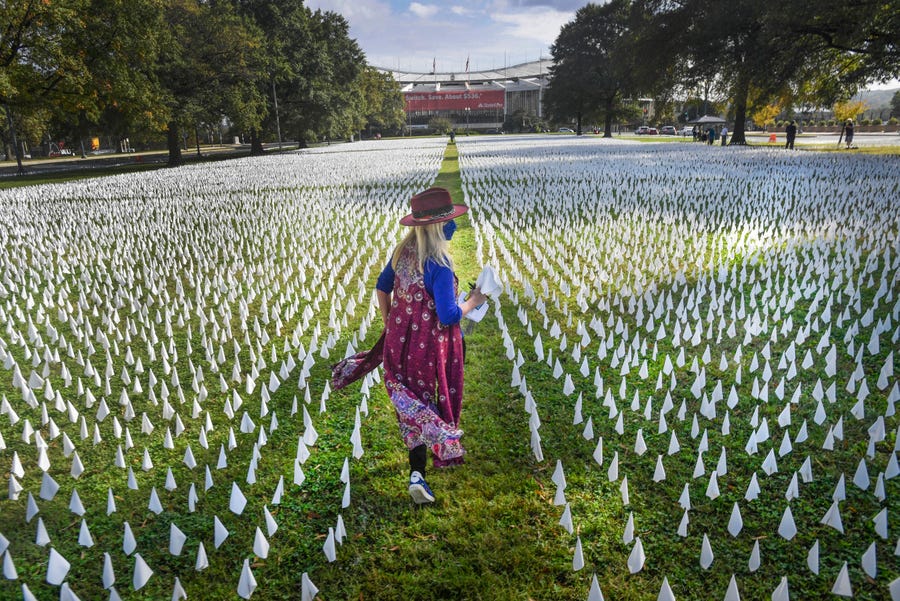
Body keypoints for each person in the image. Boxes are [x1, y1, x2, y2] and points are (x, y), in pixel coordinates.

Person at [332, 187, 486, 504]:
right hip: (433, 349)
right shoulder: (440, 265)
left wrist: (391, 324)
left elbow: (382, 287)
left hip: (400, 347)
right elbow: (449, 314)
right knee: (432, 400)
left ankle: (418, 474)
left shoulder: (402, 254)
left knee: (412, 405)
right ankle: (440, 445)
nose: (454, 226)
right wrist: (474, 300)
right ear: (439, 226)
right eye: (451, 221)